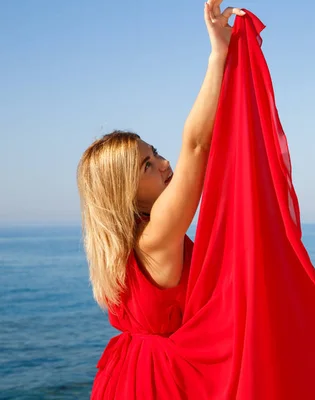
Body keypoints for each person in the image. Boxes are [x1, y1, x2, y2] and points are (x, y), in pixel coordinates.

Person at [77, 1, 245, 397]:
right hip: (162, 382)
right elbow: (198, 145)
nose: (166, 164)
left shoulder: (116, 247)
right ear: (124, 191)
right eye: (147, 166)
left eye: (154, 154)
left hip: (125, 372)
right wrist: (218, 55)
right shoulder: (154, 239)